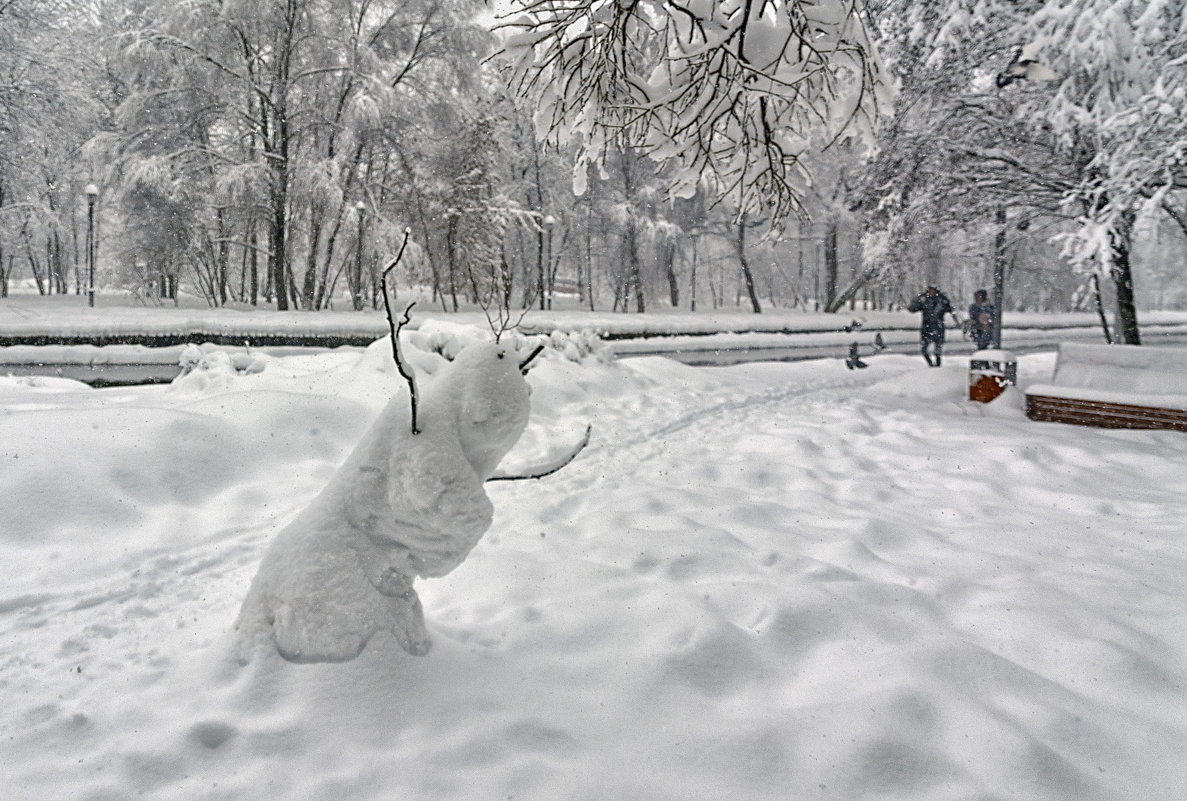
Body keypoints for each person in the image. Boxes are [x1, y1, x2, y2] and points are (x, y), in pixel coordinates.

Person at [907, 285, 955, 367]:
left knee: (937, 352)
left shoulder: (941, 300)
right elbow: (912, 309)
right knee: (924, 350)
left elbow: (950, 309)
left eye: (933, 290)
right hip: (926, 327)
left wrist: (946, 302)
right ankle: (930, 364)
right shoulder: (924, 300)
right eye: (930, 290)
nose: (932, 292)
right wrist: (916, 301)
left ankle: (938, 365)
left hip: (938, 327)